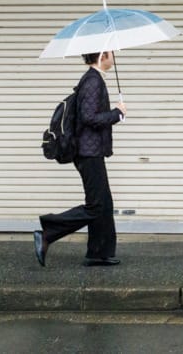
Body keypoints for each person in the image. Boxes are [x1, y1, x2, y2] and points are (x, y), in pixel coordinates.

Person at [34, 51, 127, 267]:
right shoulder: (93, 81)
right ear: (103, 55)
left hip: (91, 151)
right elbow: (89, 118)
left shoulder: (92, 79)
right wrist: (117, 113)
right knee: (96, 205)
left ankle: (98, 253)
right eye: (111, 53)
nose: (114, 57)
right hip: (88, 153)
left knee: (104, 203)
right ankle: (48, 232)